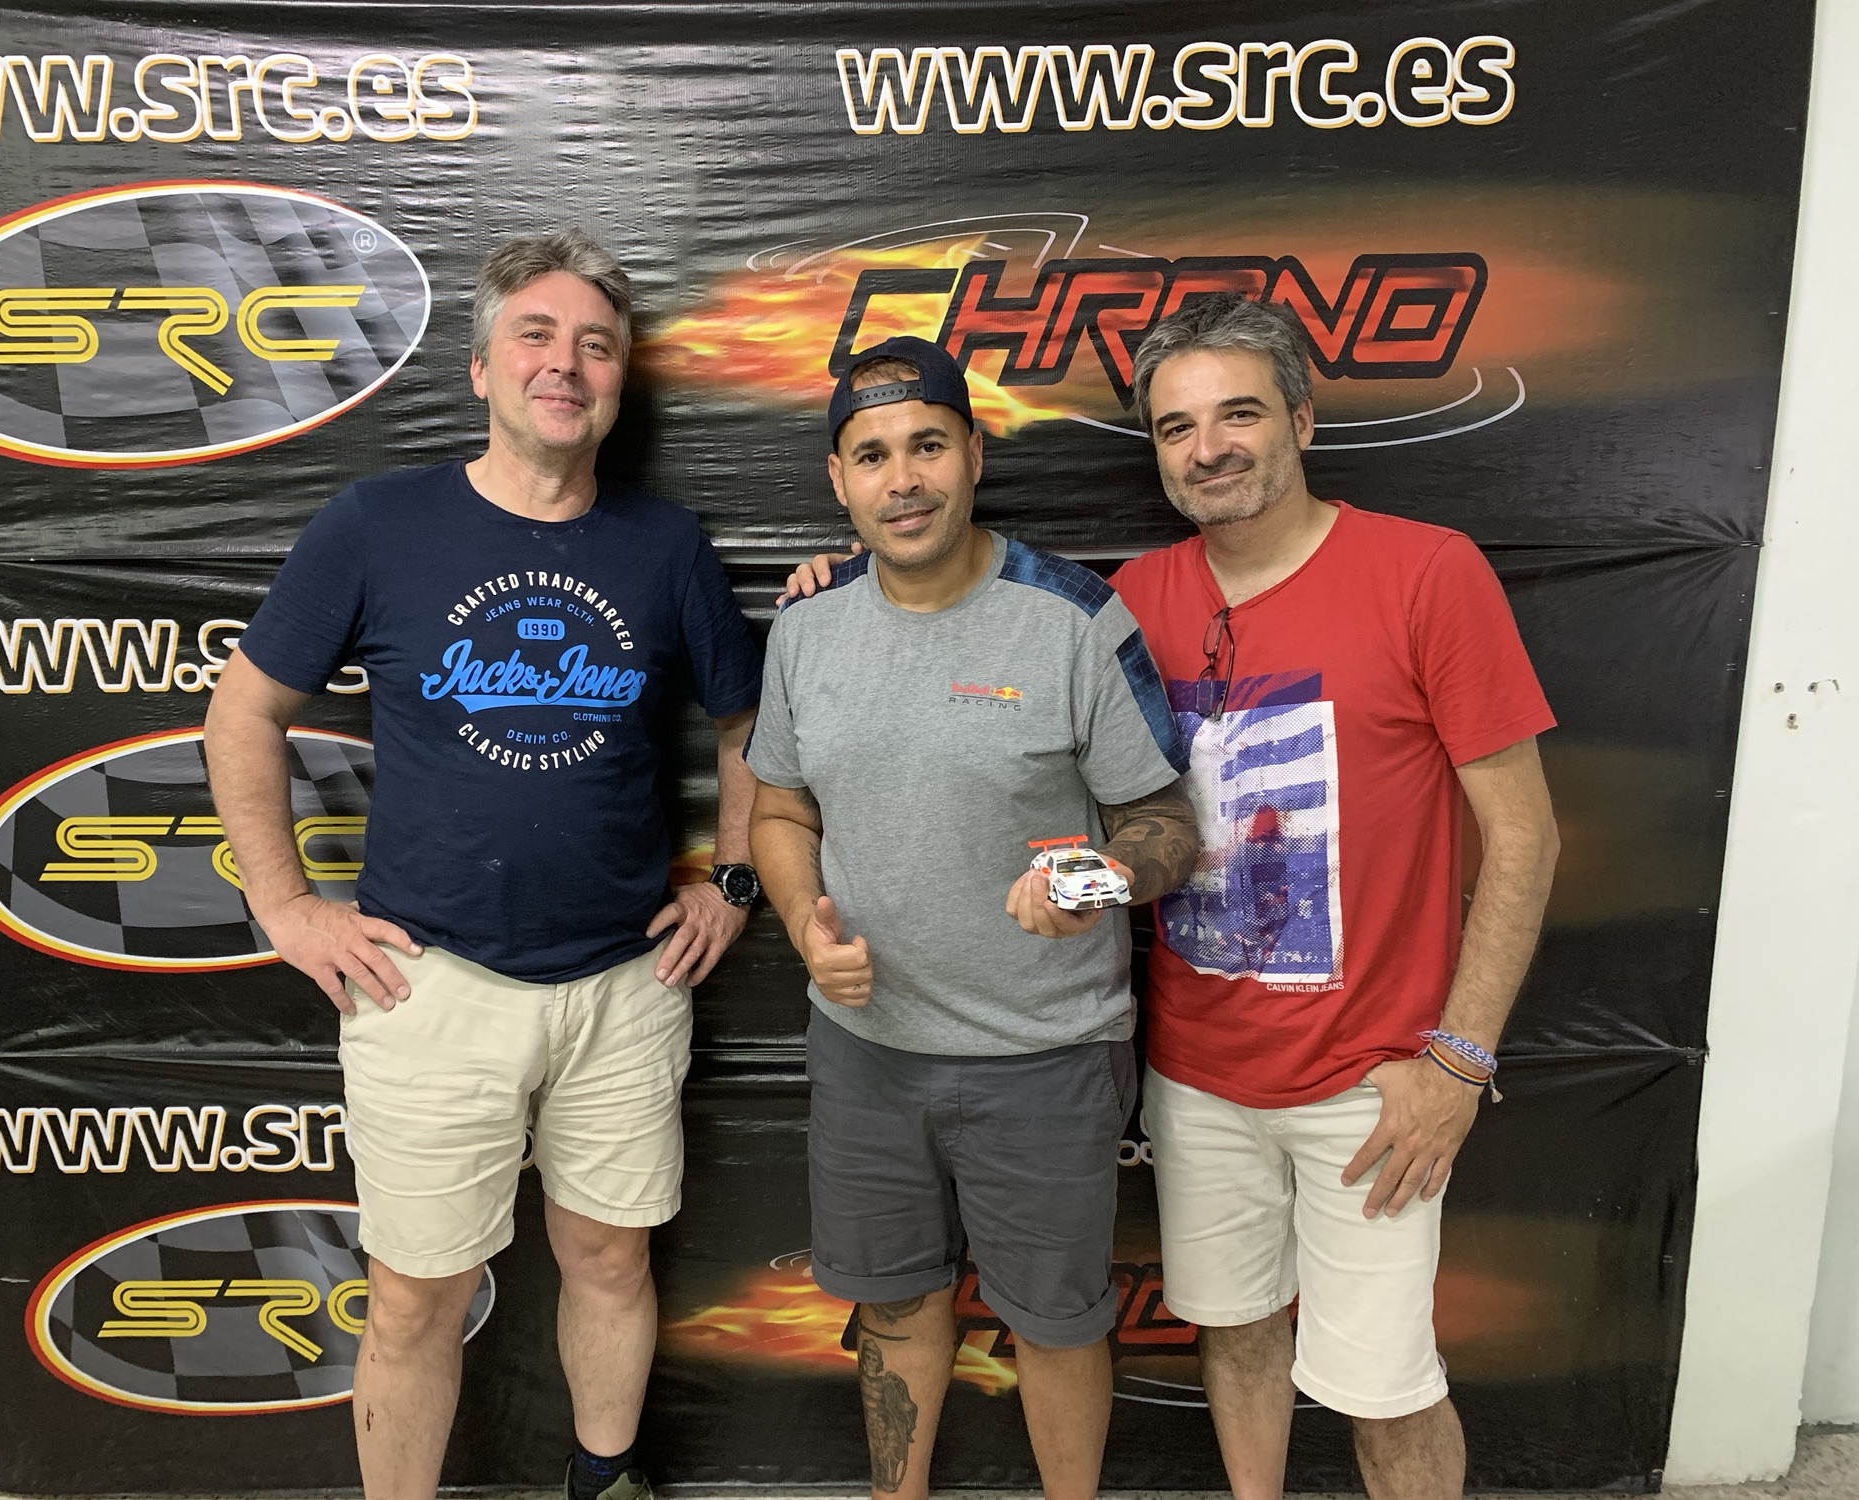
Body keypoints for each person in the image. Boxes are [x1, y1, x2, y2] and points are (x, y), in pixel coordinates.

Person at [781, 298, 1561, 1500]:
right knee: (1236, 1345)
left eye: (1237, 415)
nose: (1208, 450)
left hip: (1370, 1077)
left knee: (1385, 1388)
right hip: (1193, 1073)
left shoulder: (1421, 573)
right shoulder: (1129, 598)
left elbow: (1522, 835)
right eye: (1175, 427)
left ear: (1300, 419)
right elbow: (937, 625)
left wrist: (1457, 1058)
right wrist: (837, 579)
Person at [205, 229, 763, 1500]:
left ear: (619, 381)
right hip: (428, 984)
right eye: (536, 336)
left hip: (625, 987)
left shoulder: (664, 545)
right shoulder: (378, 525)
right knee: (414, 1298)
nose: (564, 364)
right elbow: (243, 713)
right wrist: (283, 904)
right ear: (480, 367)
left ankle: (604, 1482)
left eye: (595, 345)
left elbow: (748, 727)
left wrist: (731, 883)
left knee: (611, 1262)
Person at [747, 335, 1200, 1500]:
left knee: (1055, 1323)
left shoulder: (1071, 620)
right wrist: (801, 924)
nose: (902, 481)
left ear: (973, 455)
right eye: (871, 456)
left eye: (926, 447)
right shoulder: (804, 628)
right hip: (867, 1053)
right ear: (837, 480)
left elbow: (1164, 825)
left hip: (1045, 1057)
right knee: (894, 1311)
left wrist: (1091, 885)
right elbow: (777, 809)